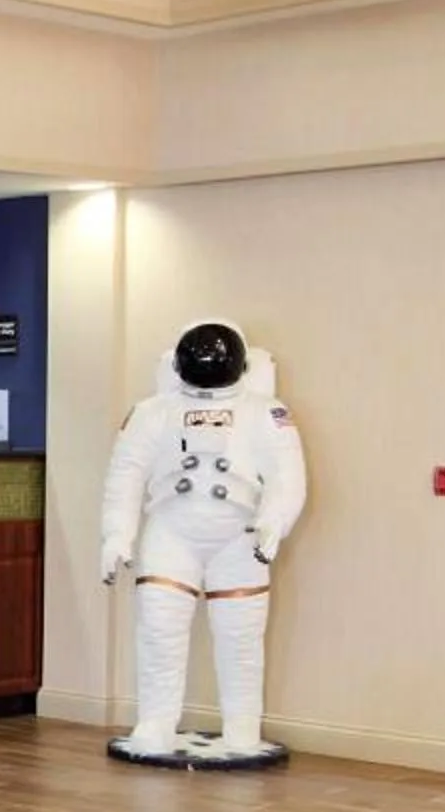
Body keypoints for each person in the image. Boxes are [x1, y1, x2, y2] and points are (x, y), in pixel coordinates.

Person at [98, 318, 309, 766]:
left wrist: (274, 523)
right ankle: (154, 723)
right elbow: (126, 475)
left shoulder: (266, 412)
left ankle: (242, 726)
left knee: (240, 637)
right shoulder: (152, 412)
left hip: (239, 535)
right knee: (158, 630)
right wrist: (117, 534)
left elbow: (288, 479)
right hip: (171, 532)